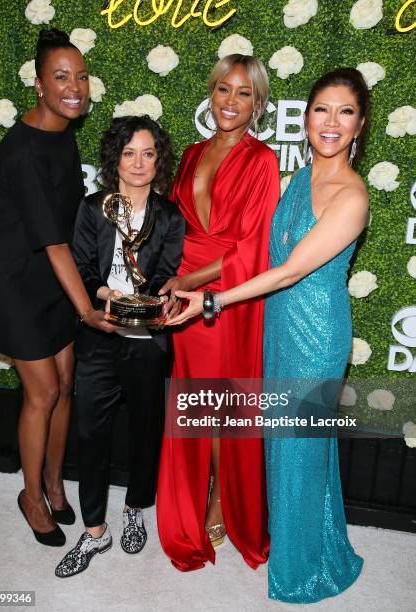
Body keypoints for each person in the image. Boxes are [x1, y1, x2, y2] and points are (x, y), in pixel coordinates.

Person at [167, 67, 369, 602]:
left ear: (360, 124)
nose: (331, 123)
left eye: (344, 112)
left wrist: (211, 299)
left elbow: (288, 270)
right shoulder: (303, 176)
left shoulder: (351, 195)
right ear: (305, 118)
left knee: (299, 450)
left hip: (315, 334)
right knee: (291, 448)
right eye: (321, 109)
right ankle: (314, 543)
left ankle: (302, 572)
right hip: (277, 324)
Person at [0, 29, 115, 547]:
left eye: (80, 76)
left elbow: (68, 224)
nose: (74, 87)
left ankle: (54, 481)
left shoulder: (62, 132)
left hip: (52, 274)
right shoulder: (25, 150)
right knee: (44, 390)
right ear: (38, 85)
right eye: (61, 77)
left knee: (67, 379)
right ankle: (30, 496)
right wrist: (91, 307)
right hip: (14, 280)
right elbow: (53, 243)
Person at [156, 54, 280, 571]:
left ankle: (220, 500)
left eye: (244, 93)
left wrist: (189, 283)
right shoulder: (189, 154)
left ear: (258, 104)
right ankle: (194, 495)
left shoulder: (262, 161)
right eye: (224, 89)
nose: (231, 102)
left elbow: (253, 250)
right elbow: (176, 229)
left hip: (227, 295)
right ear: (211, 93)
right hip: (182, 294)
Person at [54, 116, 185, 578]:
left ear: (158, 161)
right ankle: (94, 530)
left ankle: (135, 507)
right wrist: (107, 298)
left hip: (148, 341)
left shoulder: (169, 216)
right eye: (129, 153)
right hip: (97, 337)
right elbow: (84, 268)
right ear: (115, 159)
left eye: (148, 153)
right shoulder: (92, 208)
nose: (138, 163)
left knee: (146, 430)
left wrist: (145, 300)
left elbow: (167, 269)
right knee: (91, 432)